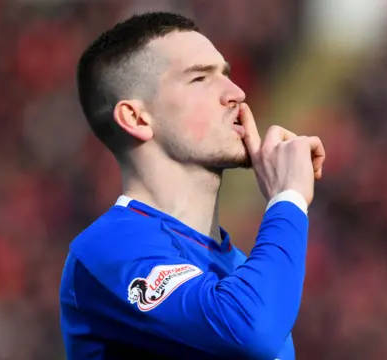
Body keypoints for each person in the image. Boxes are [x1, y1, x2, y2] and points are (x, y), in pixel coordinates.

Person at [59, 11, 325, 360]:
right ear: (137, 118)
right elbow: (247, 331)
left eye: (226, 74)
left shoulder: (248, 271)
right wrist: (287, 198)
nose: (237, 93)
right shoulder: (106, 249)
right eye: (200, 78)